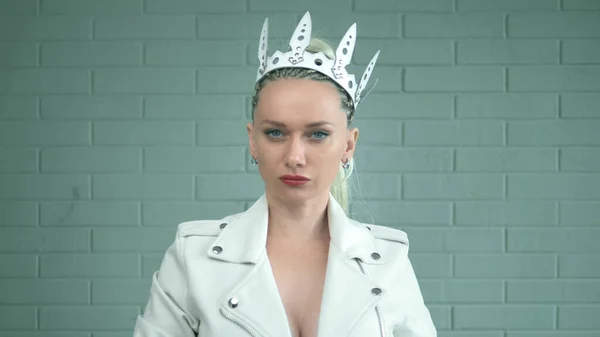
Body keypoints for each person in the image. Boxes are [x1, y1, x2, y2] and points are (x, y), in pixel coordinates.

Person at [133, 12, 437, 337]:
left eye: (317, 134)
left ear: (348, 145)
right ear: (253, 140)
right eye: (276, 133)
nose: (294, 157)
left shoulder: (388, 262)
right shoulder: (192, 258)